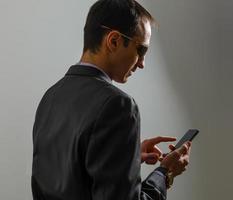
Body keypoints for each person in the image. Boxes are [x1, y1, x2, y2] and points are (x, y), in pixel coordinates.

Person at [31, 0, 192, 199]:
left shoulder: (51, 97)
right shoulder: (118, 105)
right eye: (141, 50)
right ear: (114, 41)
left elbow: (68, 175)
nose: (142, 63)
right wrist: (164, 174)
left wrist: (126, 158)